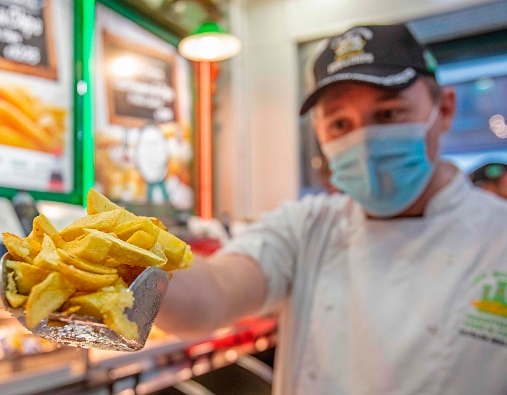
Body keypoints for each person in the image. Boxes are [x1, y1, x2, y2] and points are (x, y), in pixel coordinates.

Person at [155, 24, 507, 394]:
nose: (364, 139)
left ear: (445, 109)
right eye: (340, 123)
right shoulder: (306, 226)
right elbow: (215, 292)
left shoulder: (497, 240)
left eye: (388, 114)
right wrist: (126, 256)